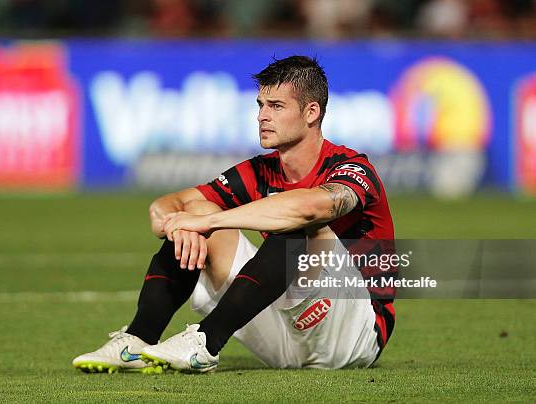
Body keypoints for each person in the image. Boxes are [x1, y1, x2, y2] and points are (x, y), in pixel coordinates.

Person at [72, 55, 395, 373]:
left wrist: (209, 221)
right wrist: (181, 227)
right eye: (260, 105)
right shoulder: (259, 170)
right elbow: (165, 205)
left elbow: (309, 208)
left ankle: (205, 341)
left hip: (355, 334)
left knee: (299, 226)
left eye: (276, 106)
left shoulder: (350, 167)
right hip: (285, 338)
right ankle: (137, 341)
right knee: (195, 211)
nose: (262, 116)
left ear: (311, 112)